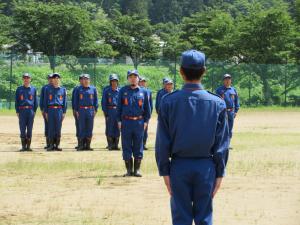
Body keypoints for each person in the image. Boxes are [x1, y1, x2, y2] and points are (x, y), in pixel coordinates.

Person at [155, 50, 229, 225]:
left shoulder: (168, 101)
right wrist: (219, 172)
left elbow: (162, 142)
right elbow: (222, 144)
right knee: (204, 217)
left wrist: (165, 170)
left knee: (181, 218)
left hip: (178, 167)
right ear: (204, 71)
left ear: (181, 71)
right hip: (206, 167)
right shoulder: (217, 103)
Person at [117, 70, 151, 177]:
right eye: (130, 76)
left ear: (138, 78)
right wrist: (119, 121)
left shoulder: (144, 92)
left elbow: (147, 109)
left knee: (138, 145)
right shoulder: (122, 91)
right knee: (126, 145)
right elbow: (119, 107)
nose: (133, 78)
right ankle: (128, 170)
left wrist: (146, 121)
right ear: (128, 78)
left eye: (135, 76)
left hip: (139, 122)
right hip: (126, 122)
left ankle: (137, 170)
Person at [216, 74, 240, 156]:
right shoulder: (219, 90)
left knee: (229, 129)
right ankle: (221, 144)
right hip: (223, 112)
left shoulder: (233, 90)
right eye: (226, 79)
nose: (227, 80)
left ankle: (228, 144)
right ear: (223, 80)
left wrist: (236, 110)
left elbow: (236, 101)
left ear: (231, 80)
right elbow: (217, 101)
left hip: (231, 112)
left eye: (229, 79)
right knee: (222, 128)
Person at [74, 74, 98, 151]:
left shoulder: (93, 89)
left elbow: (95, 100)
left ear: (89, 80)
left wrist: (95, 110)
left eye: (87, 79)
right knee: (81, 127)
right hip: (81, 110)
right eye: (83, 79)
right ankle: (81, 145)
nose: (85, 81)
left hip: (90, 110)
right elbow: (75, 101)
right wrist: (76, 110)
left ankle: (88, 145)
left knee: (89, 127)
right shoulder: (78, 89)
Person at [43, 73, 67, 151]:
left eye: (57, 78)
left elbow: (65, 102)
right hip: (50, 109)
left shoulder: (63, 89)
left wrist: (64, 112)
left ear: (59, 80)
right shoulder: (48, 89)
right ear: (52, 80)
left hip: (59, 110)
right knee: (51, 128)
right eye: (54, 78)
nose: (56, 80)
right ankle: (50, 145)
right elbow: (45, 101)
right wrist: (46, 112)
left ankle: (57, 145)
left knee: (58, 128)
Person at [15, 73, 38, 151]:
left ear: (30, 79)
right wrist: (17, 111)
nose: (26, 79)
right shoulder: (19, 89)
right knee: (22, 128)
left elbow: (35, 101)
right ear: (23, 79)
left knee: (30, 128)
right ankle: (23, 147)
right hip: (22, 110)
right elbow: (17, 101)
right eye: (25, 78)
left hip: (30, 110)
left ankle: (28, 146)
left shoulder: (33, 89)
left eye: (28, 78)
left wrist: (34, 110)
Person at [101, 74, 120, 150]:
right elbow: (104, 103)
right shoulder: (106, 91)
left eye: (115, 81)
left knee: (118, 128)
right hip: (110, 111)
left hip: (118, 111)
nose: (114, 82)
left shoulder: (120, 91)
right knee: (109, 128)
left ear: (117, 81)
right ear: (110, 82)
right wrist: (106, 114)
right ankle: (110, 145)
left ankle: (116, 145)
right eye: (112, 81)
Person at [138, 76, 153, 150]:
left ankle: (143, 144)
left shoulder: (148, 91)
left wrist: (149, 114)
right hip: (138, 114)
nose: (143, 83)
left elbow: (150, 104)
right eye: (141, 81)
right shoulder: (137, 91)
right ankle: (137, 144)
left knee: (145, 130)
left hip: (145, 114)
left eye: (144, 81)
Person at [40, 74, 53, 149]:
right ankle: (48, 143)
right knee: (47, 126)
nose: (51, 80)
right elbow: (42, 99)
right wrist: (42, 109)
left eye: (52, 78)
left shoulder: (56, 87)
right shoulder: (45, 88)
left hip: (54, 110)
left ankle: (53, 143)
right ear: (48, 79)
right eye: (49, 78)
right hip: (46, 110)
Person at [72, 74, 84, 149]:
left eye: (84, 79)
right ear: (79, 80)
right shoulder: (76, 89)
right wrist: (74, 110)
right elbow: (74, 100)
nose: (83, 81)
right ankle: (80, 143)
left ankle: (85, 143)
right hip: (78, 111)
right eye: (81, 79)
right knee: (78, 127)